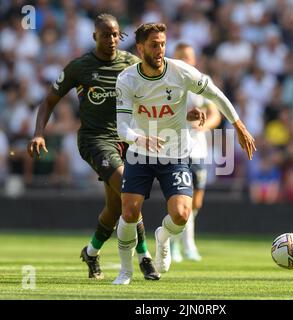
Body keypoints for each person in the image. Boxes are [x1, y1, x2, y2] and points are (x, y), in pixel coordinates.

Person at [114, 23, 256, 285]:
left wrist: (238, 125)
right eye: (154, 45)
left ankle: (163, 238)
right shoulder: (127, 79)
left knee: (181, 215)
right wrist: (140, 137)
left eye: (163, 44)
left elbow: (216, 94)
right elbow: (122, 127)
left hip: (176, 155)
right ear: (140, 47)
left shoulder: (180, 71)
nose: (160, 50)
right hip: (140, 154)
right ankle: (125, 272)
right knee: (130, 212)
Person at [27, 14, 160, 281]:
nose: (111, 40)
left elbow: (158, 92)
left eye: (115, 35)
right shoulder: (80, 67)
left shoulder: (131, 63)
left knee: (115, 208)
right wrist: (39, 133)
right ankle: (145, 257)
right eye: (105, 35)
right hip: (95, 140)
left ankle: (91, 252)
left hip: (127, 140)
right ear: (94, 37)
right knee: (129, 190)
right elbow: (49, 101)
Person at [170, 42, 222, 262]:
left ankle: (179, 242)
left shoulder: (203, 82)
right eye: (180, 57)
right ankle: (181, 245)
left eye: (187, 57)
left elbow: (215, 114)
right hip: (175, 147)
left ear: (194, 60)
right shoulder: (168, 83)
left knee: (197, 202)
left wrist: (204, 125)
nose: (184, 61)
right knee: (183, 198)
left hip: (199, 147)